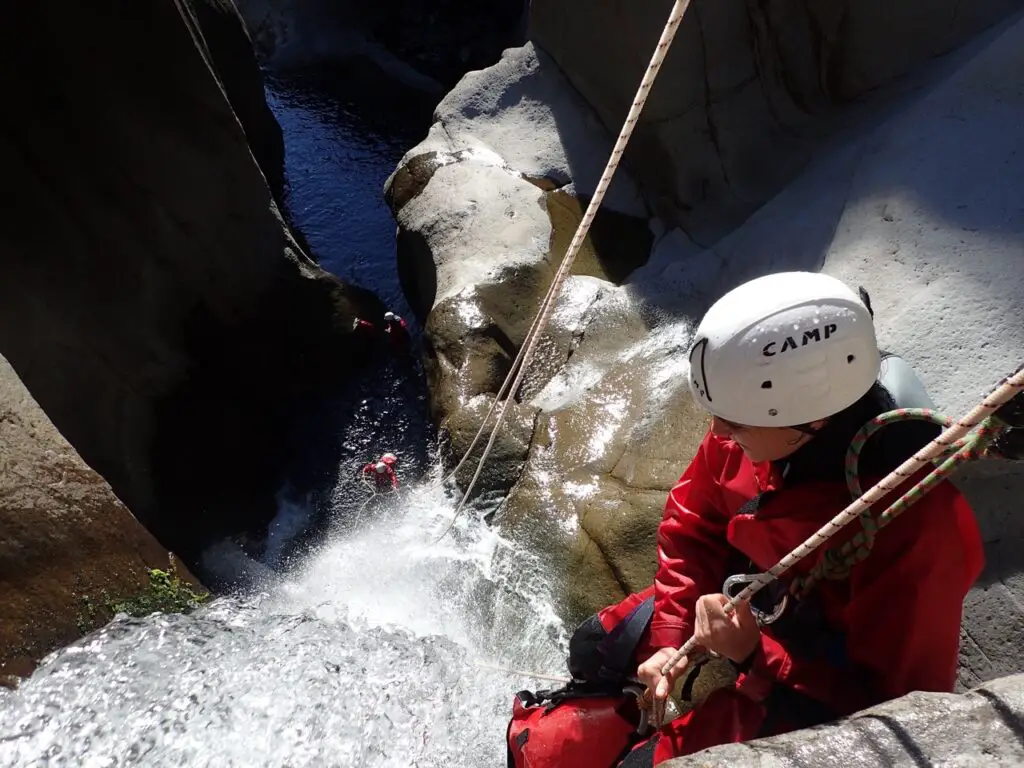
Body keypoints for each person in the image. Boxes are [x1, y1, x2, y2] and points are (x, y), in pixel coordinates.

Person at [506, 271, 984, 767]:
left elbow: (899, 710)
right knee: (595, 647)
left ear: (812, 421)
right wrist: (669, 636)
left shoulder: (916, 530)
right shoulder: (763, 425)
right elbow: (691, 522)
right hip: (752, 607)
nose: (718, 432)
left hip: (812, 685)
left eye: (734, 422)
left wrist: (756, 656)